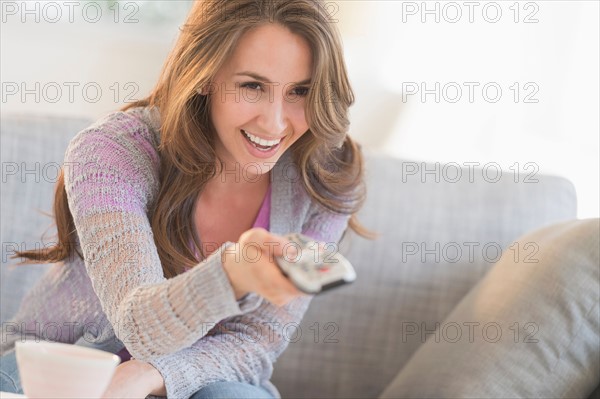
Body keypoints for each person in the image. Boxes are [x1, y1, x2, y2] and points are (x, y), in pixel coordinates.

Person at [0, 0, 373, 398]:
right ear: (205, 75)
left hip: (210, 380)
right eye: (252, 86)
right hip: (71, 359)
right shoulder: (112, 152)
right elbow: (137, 324)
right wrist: (232, 274)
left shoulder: (325, 179)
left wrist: (148, 375)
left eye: (301, 91)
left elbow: (256, 345)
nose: (275, 122)